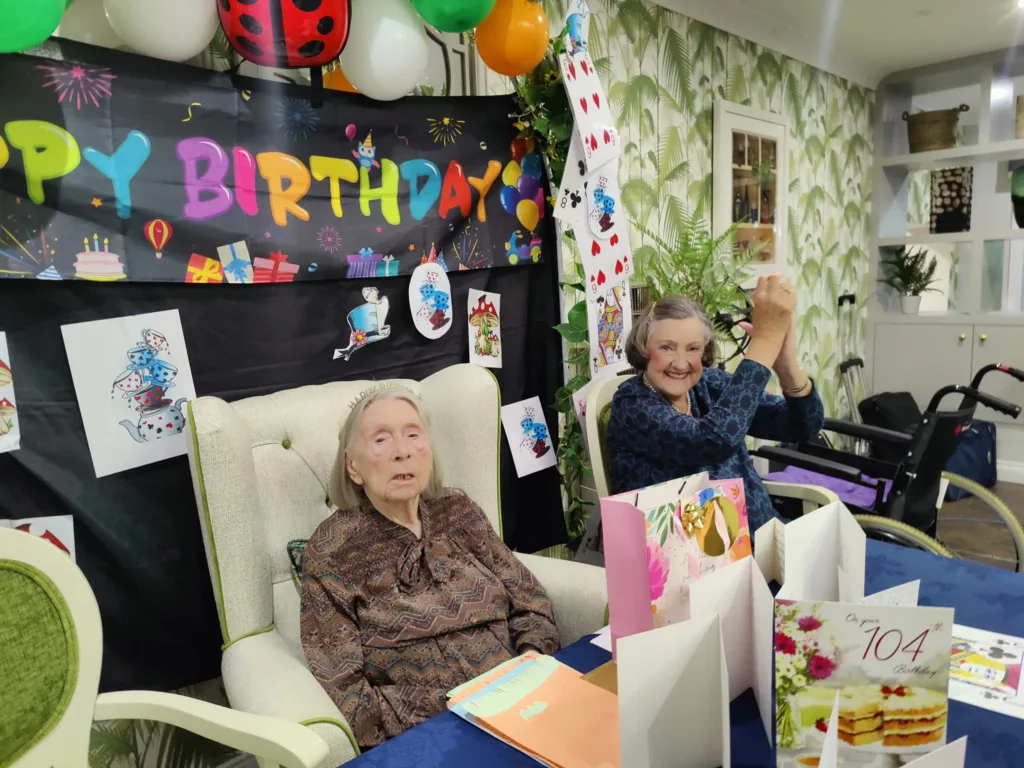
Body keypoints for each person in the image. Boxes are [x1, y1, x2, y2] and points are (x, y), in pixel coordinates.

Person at [300, 387, 560, 749]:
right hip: (432, 738)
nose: (402, 451)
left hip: (522, 700)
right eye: (381, 439)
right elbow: (343, 687)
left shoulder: (458, 510)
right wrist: (449, 715)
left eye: (412, 434)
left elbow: (529, 599)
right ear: (353, 466)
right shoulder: (332, 554)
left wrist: (531, 659)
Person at [608, 275, 825, 532]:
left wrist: (786, 365)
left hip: (764, 538)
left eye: (692, 349)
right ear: (644, 347)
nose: (680, 363)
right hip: (694, 559)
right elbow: (714, 441)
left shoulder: (709, 383)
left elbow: (802, 425)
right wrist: (764, 343)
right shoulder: (633, 404)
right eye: (667, 347)